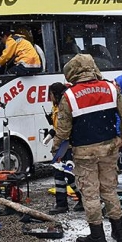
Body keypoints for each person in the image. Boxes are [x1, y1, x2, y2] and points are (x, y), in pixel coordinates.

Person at [52, 54, 122, 242]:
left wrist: (56, 149)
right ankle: (119, 232)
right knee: (110, 190)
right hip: (110, 148)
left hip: (84, 152)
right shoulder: (111, 88)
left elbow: (63, 130)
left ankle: (97, 235)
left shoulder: (69, 96)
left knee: (90, 194)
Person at [47, 82, 83, 215]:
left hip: (65, 145)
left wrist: (56, 146)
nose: (49, 97)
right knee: (62, 174)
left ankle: (67, 203)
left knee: (68, 174)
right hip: (63, 144)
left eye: (50, 94)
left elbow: (64, 129)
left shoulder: (64, 106)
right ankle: (66, 202)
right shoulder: (58, 106)